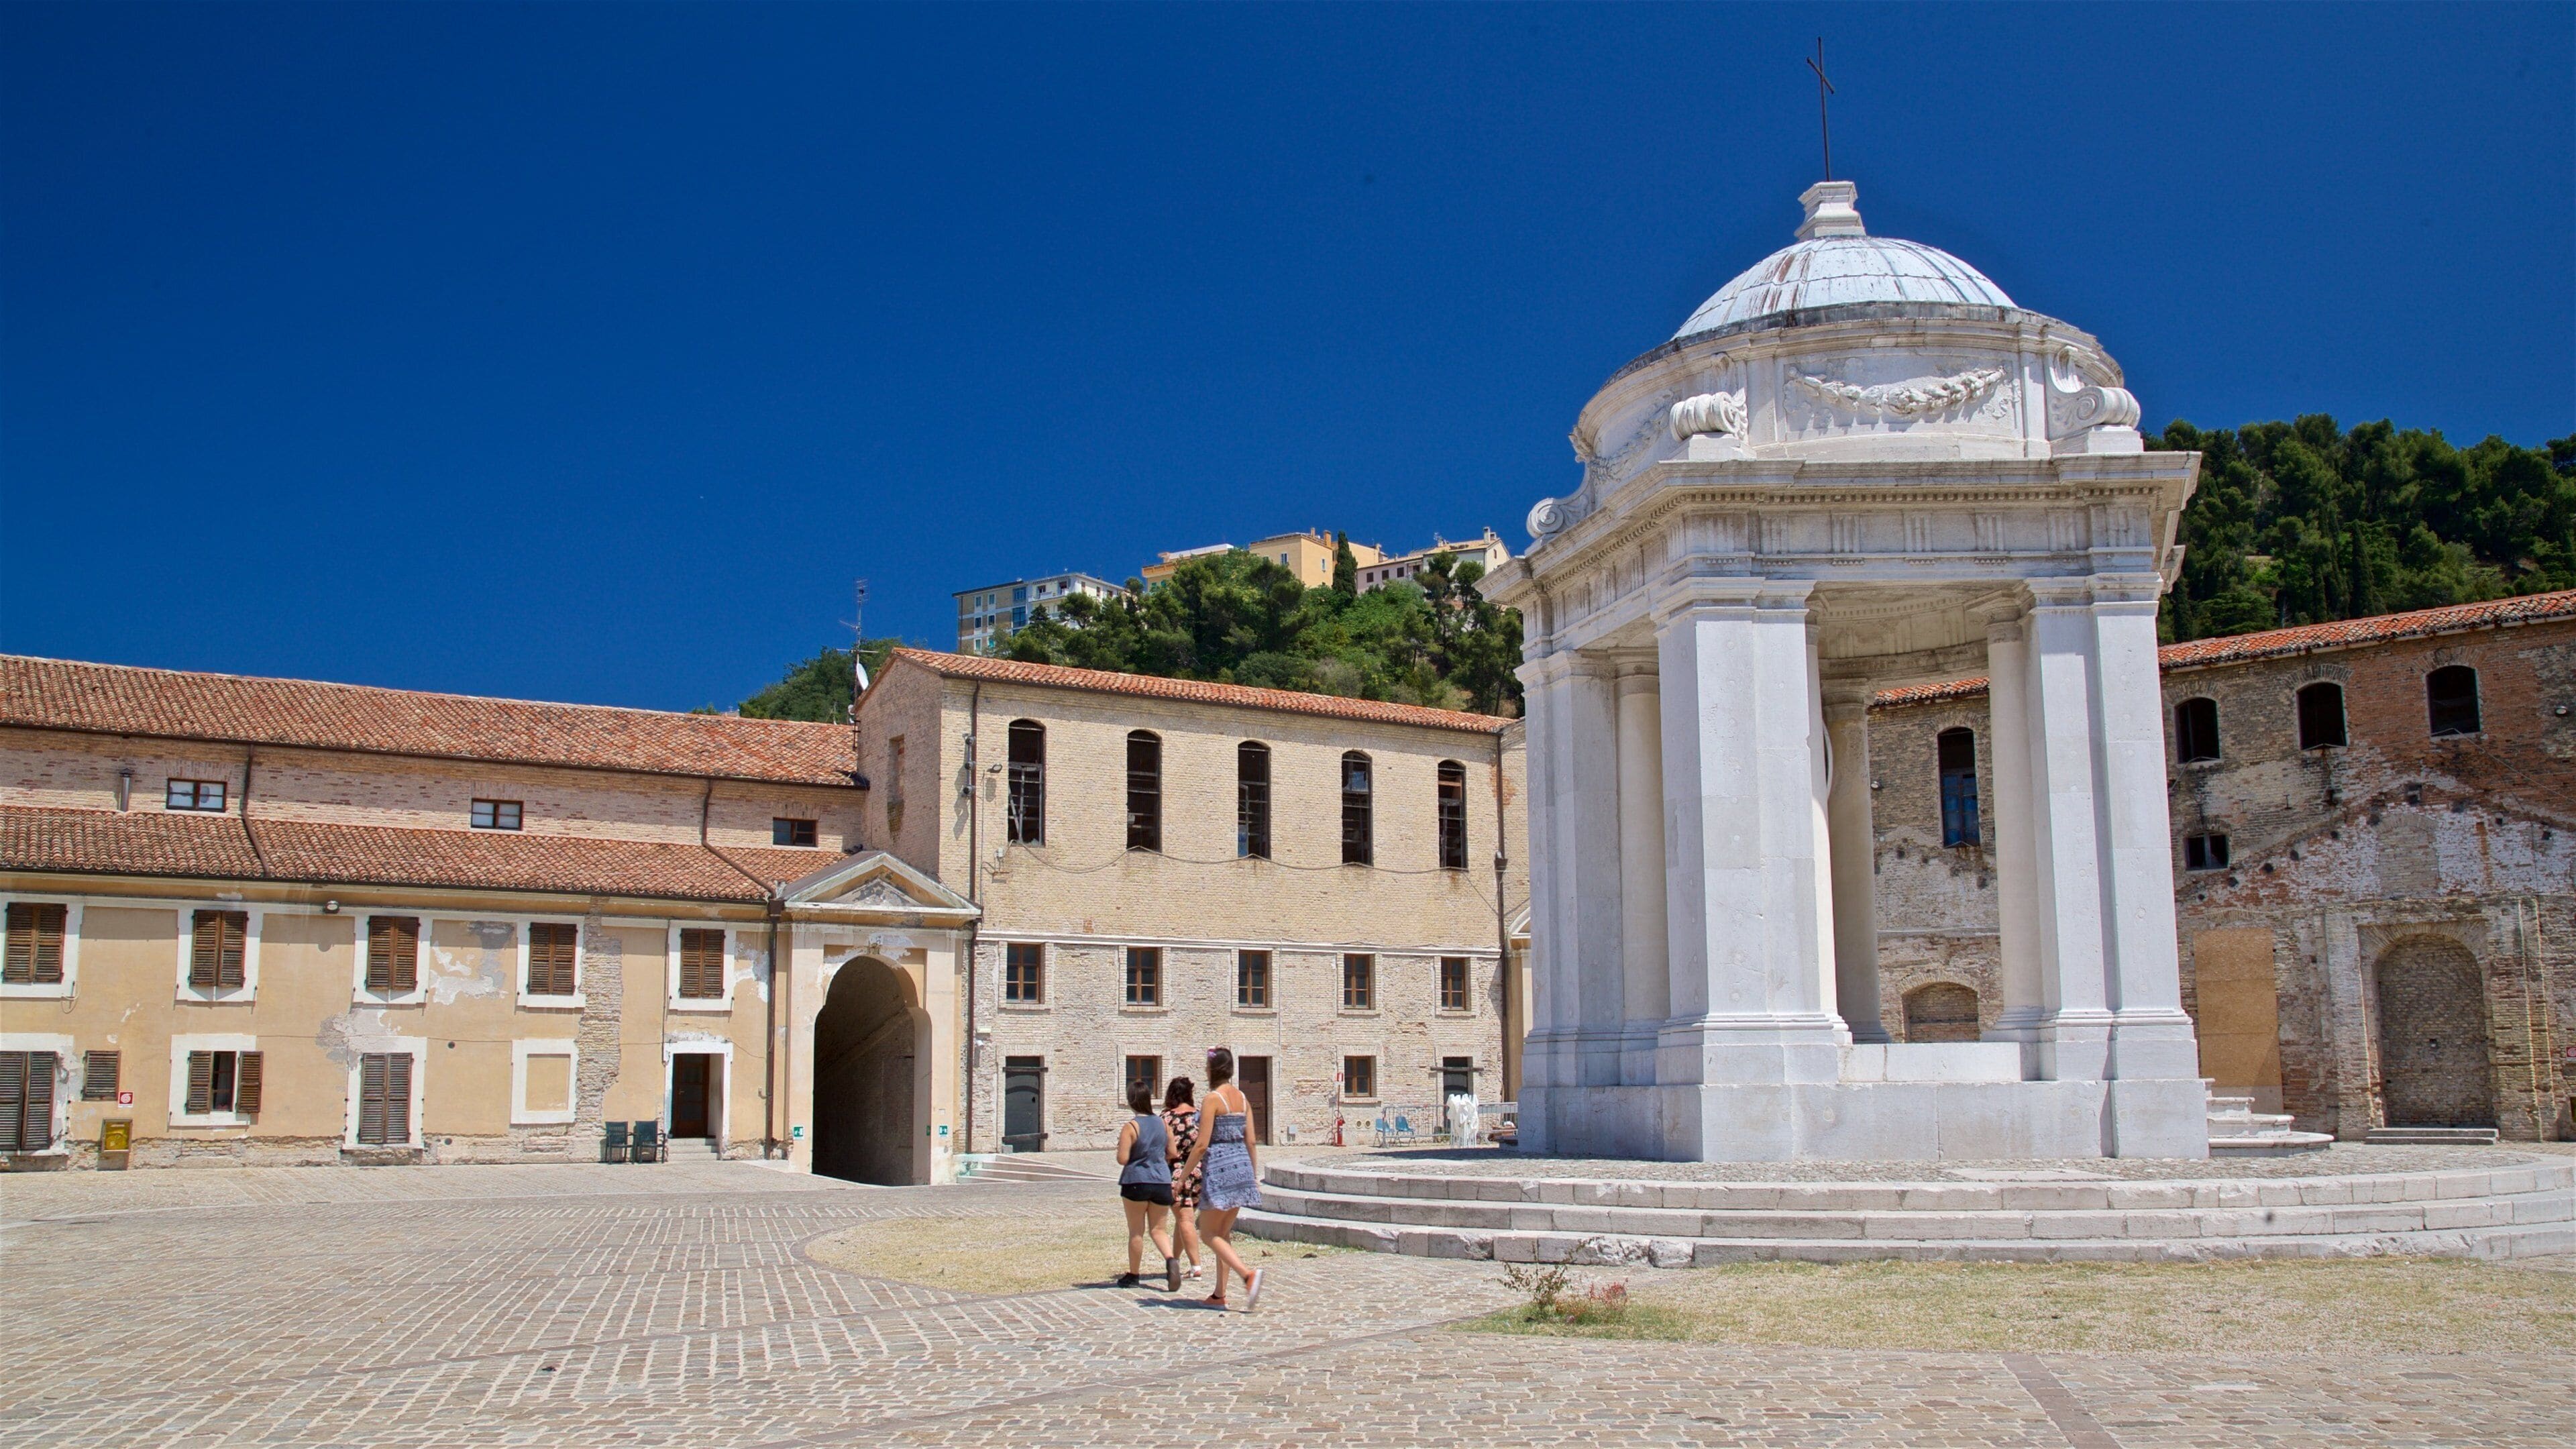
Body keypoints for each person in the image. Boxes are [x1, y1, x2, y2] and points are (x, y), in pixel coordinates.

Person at [1177, 1046, 1263, 1311]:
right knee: (1223, 1234)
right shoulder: (1242, 1097)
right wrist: (1253, 1174)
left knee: (1208, 1233)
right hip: (1242, 1168)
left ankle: (1248, 1276)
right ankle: (1219, 1295)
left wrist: (1183, 1176)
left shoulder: (1212, 1099)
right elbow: (1251, 1140)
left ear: (1212, 1070)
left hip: (1220, 1168)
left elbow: (1202, 1144)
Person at [1114, 1080, 1180, 1291]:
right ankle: (1171, 1260)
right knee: (1159, 1230)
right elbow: (1173, 1153)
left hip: (1136, 1181)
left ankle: (1133, 1275)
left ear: (1131, 1100)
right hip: (1161, 1181)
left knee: (1136, 1232)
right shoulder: (1163, 1124)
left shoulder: (1131, 1126)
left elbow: (1123, 1159)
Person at [1161, 1077, 1205, 1281]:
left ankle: (1196, 1266)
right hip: (1199, 1172)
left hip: (1177, 1173)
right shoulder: (1200, 1116)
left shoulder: (1166, 1118)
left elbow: (1165, 1149)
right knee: (1183, 1220)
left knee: (1185, 1219)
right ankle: (1175, 1262)